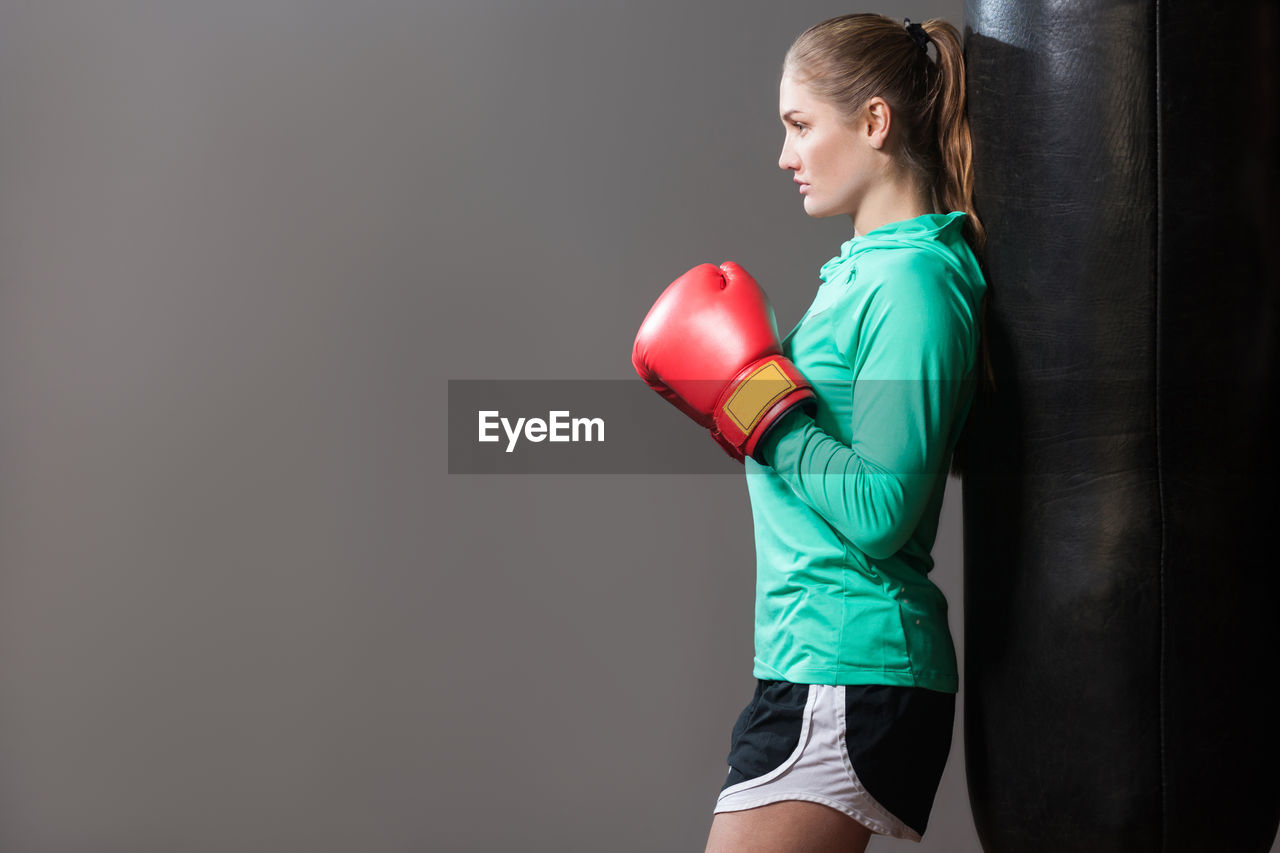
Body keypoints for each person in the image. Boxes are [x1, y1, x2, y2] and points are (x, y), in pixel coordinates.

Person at [632, 12, 990, 852]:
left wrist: (757, 408)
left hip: (849, 660)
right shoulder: (868, 272)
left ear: (874, 123)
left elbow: (884, 508)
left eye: (800, 125)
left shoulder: (913, 284)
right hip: (812, 659)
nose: (785, 155)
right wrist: (753, 406)